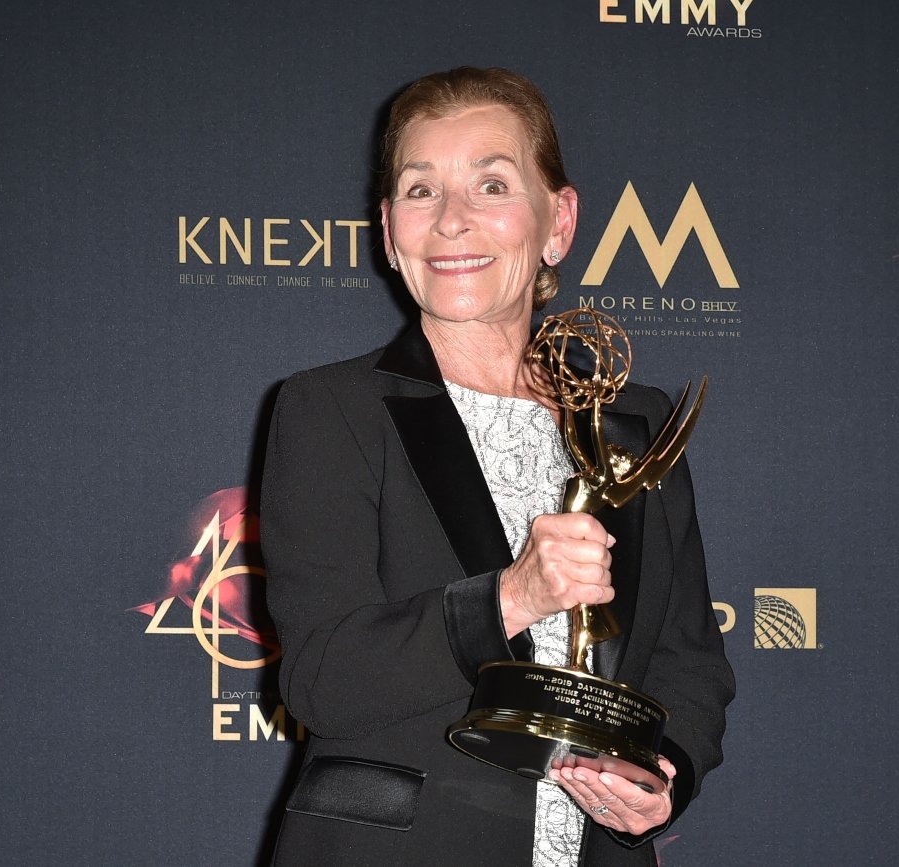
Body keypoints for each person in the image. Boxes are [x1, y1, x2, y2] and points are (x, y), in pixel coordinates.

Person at [261, 67, 734, 867]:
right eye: (420, 190)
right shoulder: (331, 408)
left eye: (491, 184)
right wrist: (512, 595)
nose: (451, 220)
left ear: (559, 222)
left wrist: (663, 772)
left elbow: (689, 660)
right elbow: (320, 676)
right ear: (388, 229)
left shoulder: (634, 419)